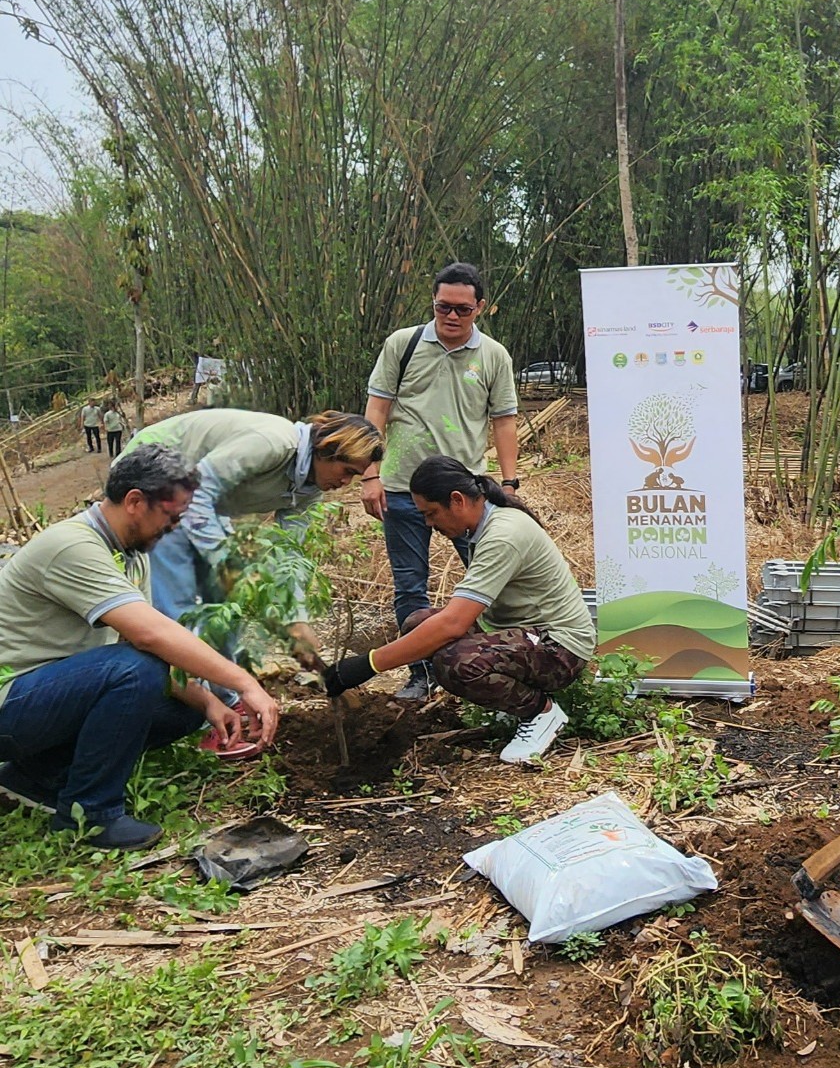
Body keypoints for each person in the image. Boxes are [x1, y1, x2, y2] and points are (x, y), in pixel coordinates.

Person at [0, 445, 282, 848]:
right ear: (135, 501)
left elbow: (141, 644)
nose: (173, 528)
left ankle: (35, 775)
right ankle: (90, 815)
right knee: (135, 669)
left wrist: (207, 703)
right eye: (170, 517)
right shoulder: (71, 545)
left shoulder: (131, 553)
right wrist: (245, 683)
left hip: (46, 698)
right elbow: (149, 636)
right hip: (9, 701)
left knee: (186, 703)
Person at [323, 457, 590, 765]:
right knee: (418, 624)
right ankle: (513, 706)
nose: (429, 524)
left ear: (457, 500)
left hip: (558, 648)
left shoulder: (503, 535)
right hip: (524, 634)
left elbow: (453, 623)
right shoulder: (484, 527)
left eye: (431, 513)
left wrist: (367, 665)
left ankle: (540, 713)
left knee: (455, 662)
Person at [362, 262, 519, 700]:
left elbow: (504, 421)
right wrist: (370, 473)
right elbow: (376, 410)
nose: (451, 317)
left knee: (487, 578)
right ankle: (422, 673)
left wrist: (509, 484)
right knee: (410, 583)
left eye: (462, 310)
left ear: (480, 308)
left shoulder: (493, 356)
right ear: (433, 303)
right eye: (443, 307)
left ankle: (493, 662)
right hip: (399, 486)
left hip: (463, 493)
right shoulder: (402, 344)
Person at [131, 409, 384, 677]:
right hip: (155, 475)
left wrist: (295, 621)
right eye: (347, 471)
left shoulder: (309, 491)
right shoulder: (273, 443)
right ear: (327, 448)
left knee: (229, 605)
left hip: (198, 499)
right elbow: (196, 490)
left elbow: (288, 554)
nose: (345, 483)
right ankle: (192, 694)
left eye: (354, 477)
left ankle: (226, 693)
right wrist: (229, 565)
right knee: (182, 599)